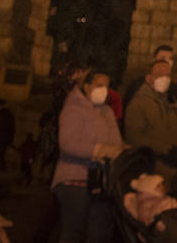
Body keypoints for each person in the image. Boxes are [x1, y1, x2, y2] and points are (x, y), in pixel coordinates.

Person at [52, 67, 124, 243]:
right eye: (99, 85)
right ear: (86, 86)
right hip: (74, 179)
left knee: (100, 234)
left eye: (107, 86)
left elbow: (116, 143)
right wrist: (99, 150)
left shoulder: (106, 111)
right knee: (74, 232)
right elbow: (67, 143)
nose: (104, 90)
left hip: (101, 182)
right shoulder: (73, 108)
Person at [125, 59, 177, 186]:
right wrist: (166, 150)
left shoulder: (175, 103)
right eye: (159, 76)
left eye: (167, 76)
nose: (164, 79)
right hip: (151, 170)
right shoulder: (138, 104)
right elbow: (133, 136)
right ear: (148, 78)